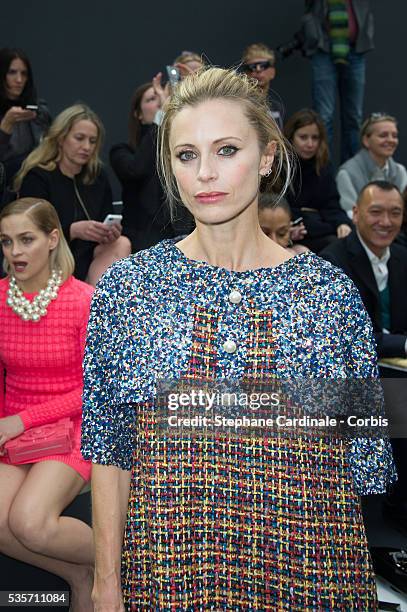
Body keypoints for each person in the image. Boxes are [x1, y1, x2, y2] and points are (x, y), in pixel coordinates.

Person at [81, 67, 395, 610]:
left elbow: (359, 463)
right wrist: (106, 582)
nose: (205, 172)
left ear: (268, 157)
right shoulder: (129, 292)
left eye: (227, 149)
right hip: (171, 569)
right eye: (186, 155)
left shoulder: (330, 298)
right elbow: (110, 448)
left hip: (305, 569)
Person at [0, 198, 94, 612]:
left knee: (28, 522)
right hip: (16, 433)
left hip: (73, 427)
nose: (15, 253)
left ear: (53, 239)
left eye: (26, 240)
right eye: (6, 242)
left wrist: (23, 419)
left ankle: (127, 564)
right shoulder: (0, 297)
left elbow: (94, 388)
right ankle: (77, 574)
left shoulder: (83, 300)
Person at [320, 179, 407, 536]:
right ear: (356, 214)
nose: (385, 221)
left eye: (395, 212)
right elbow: (347, 339)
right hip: (357, 379)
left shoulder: (403, 256)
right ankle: (379, 528)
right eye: (376, 212)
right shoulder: (333, 262)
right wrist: (400, 345)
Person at [14, 104, 131, 285]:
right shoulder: (38, 177)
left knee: (121, 243)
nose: (86, 147)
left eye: (92, 141)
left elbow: (104, 220)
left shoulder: (97, 177)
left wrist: (109, 232)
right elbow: (29, 230)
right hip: (50, 259)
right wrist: (72, 230)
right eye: (79, 138)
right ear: (61, 138)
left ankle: (97, 306)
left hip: (89, 261)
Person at [300, 1, 374, 162]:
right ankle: (323, 170)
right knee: (324, 116)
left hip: (355, 49)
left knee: (354, 117)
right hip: (323, 49)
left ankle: (352, 172)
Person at [110, 83, 176, 251]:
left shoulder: (180, 150)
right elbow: (137, 169)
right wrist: (162, 114)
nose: (160, 102)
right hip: (142, 241)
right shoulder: (121, 151)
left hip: (180, 237)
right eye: (152, 99)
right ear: (138, 114)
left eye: (162, 97)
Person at [284, 108, 352, 252]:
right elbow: (278, 207)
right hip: (288, 235)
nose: (310, 144)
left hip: (319, 232)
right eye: (303, 137)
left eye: (315, 138)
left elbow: (331, 205)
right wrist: (312, 217)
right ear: (290, 137)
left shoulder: (323, 166)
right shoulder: (279, 166)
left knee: (340, 246)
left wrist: (342, 223)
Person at [0, 48, 51, 202]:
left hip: (35, 184)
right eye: (12, 72)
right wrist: (6, 126)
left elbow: (49, 151)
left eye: (24, 73)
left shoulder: (39, 110)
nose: (19, 80)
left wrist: (39, 120)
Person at [336, 113, 407, 216]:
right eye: (383, 135)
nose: (391, 140)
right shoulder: (346, 173)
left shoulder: (400, 171)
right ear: (366, 140)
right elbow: (351, 214)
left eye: (395, 136)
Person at [241, 42, 283, 129]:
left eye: (263, 66)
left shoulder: (277, 107)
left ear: (272, 72)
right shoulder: (240, 103)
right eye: (252, 67)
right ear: (246, 73)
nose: (258, 70)